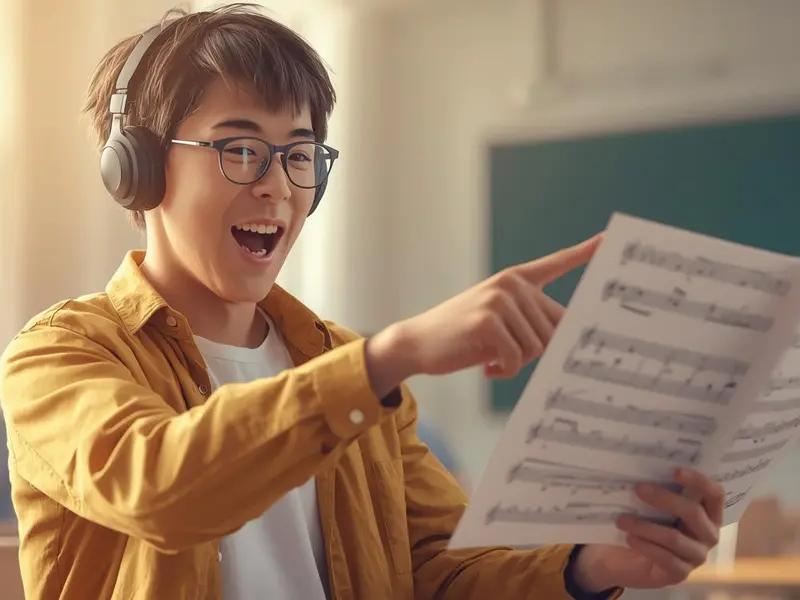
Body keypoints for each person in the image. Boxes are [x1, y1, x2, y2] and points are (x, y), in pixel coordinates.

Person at [0, 5, 723, 599]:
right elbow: (162, 487)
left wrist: (590, 567)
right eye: (240, 148)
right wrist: (392, 354)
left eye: (301, 152)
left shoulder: (344, 363)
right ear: (141, 170)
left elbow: (444, 571)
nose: (279, 185)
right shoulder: (58, 354)